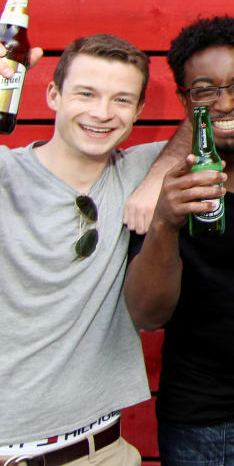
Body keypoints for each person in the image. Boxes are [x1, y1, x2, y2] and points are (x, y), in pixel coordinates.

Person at [124, 16, 234, 466]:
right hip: (204, 424)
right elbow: (148, 314)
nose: (226, 103)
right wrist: (165, 223)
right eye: (205, 90)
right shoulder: (167, 187)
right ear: (185, 99)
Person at [0, 34, 156, 466]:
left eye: (121, 100)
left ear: (139, 111)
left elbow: (215, 125)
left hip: (101, 452)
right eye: (86, 94)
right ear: (52, 94)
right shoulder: (6, 173)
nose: (102, 113)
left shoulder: (140, 168)